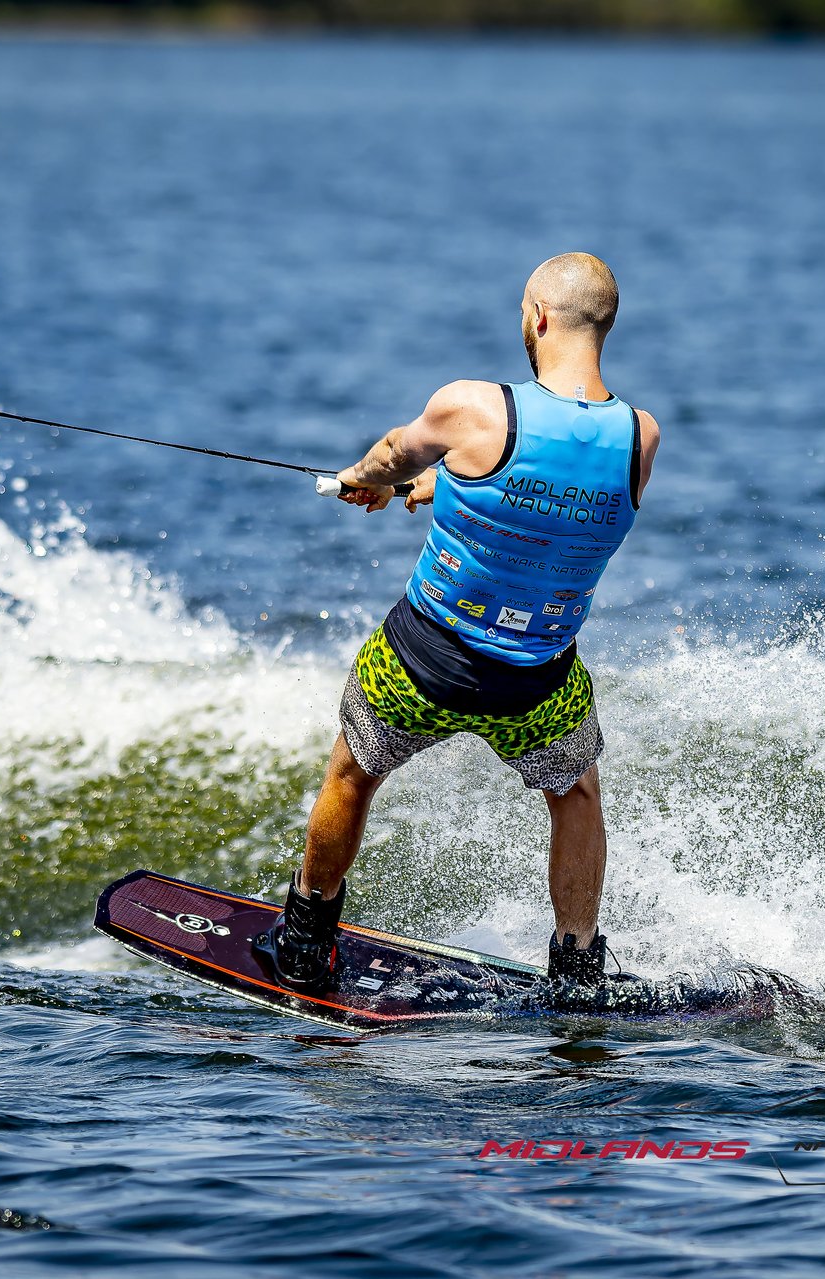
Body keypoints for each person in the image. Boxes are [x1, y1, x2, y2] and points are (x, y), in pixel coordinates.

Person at [253, 252, 660, 995]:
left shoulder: (472, 407)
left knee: (353, 770)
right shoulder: (641, 438)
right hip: (537, 683)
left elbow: (388, 456)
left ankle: (307, 939)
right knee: (576, 795)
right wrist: (446, 483)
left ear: (538, 317)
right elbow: (544, 495)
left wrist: (366, 479)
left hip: (422, 661)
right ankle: (575, 969)